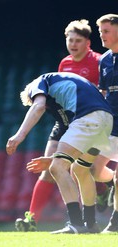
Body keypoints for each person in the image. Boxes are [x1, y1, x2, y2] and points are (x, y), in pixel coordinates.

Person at [15, 19, 109, 232]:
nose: (73, 45)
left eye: (78, 40)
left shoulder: (99, 61)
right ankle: (31, 219)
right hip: (65, 121)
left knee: (84, 168)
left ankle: (100, 194)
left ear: (88, 43)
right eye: (70, 40)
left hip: (88, 119)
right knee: (51, 169)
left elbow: (102, 92)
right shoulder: (64, 64)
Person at [7, 72, 113, 234]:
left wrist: (19, 135)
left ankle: (76, 224)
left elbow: (39, 106)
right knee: (80, 169)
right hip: (106, 120)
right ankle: (90, 224)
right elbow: (75, 147)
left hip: (88, 118)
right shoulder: (68, 84)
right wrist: (52, 158)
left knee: (57, 168)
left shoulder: (39, 82)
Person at [96, 13, 118, 233]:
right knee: (94, 169)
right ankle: (111, 183)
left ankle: (115, 221)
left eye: (106, 31)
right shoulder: (103, 59)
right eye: (101, 31)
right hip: (109, 122)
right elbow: (102, 91)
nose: (102, 35)